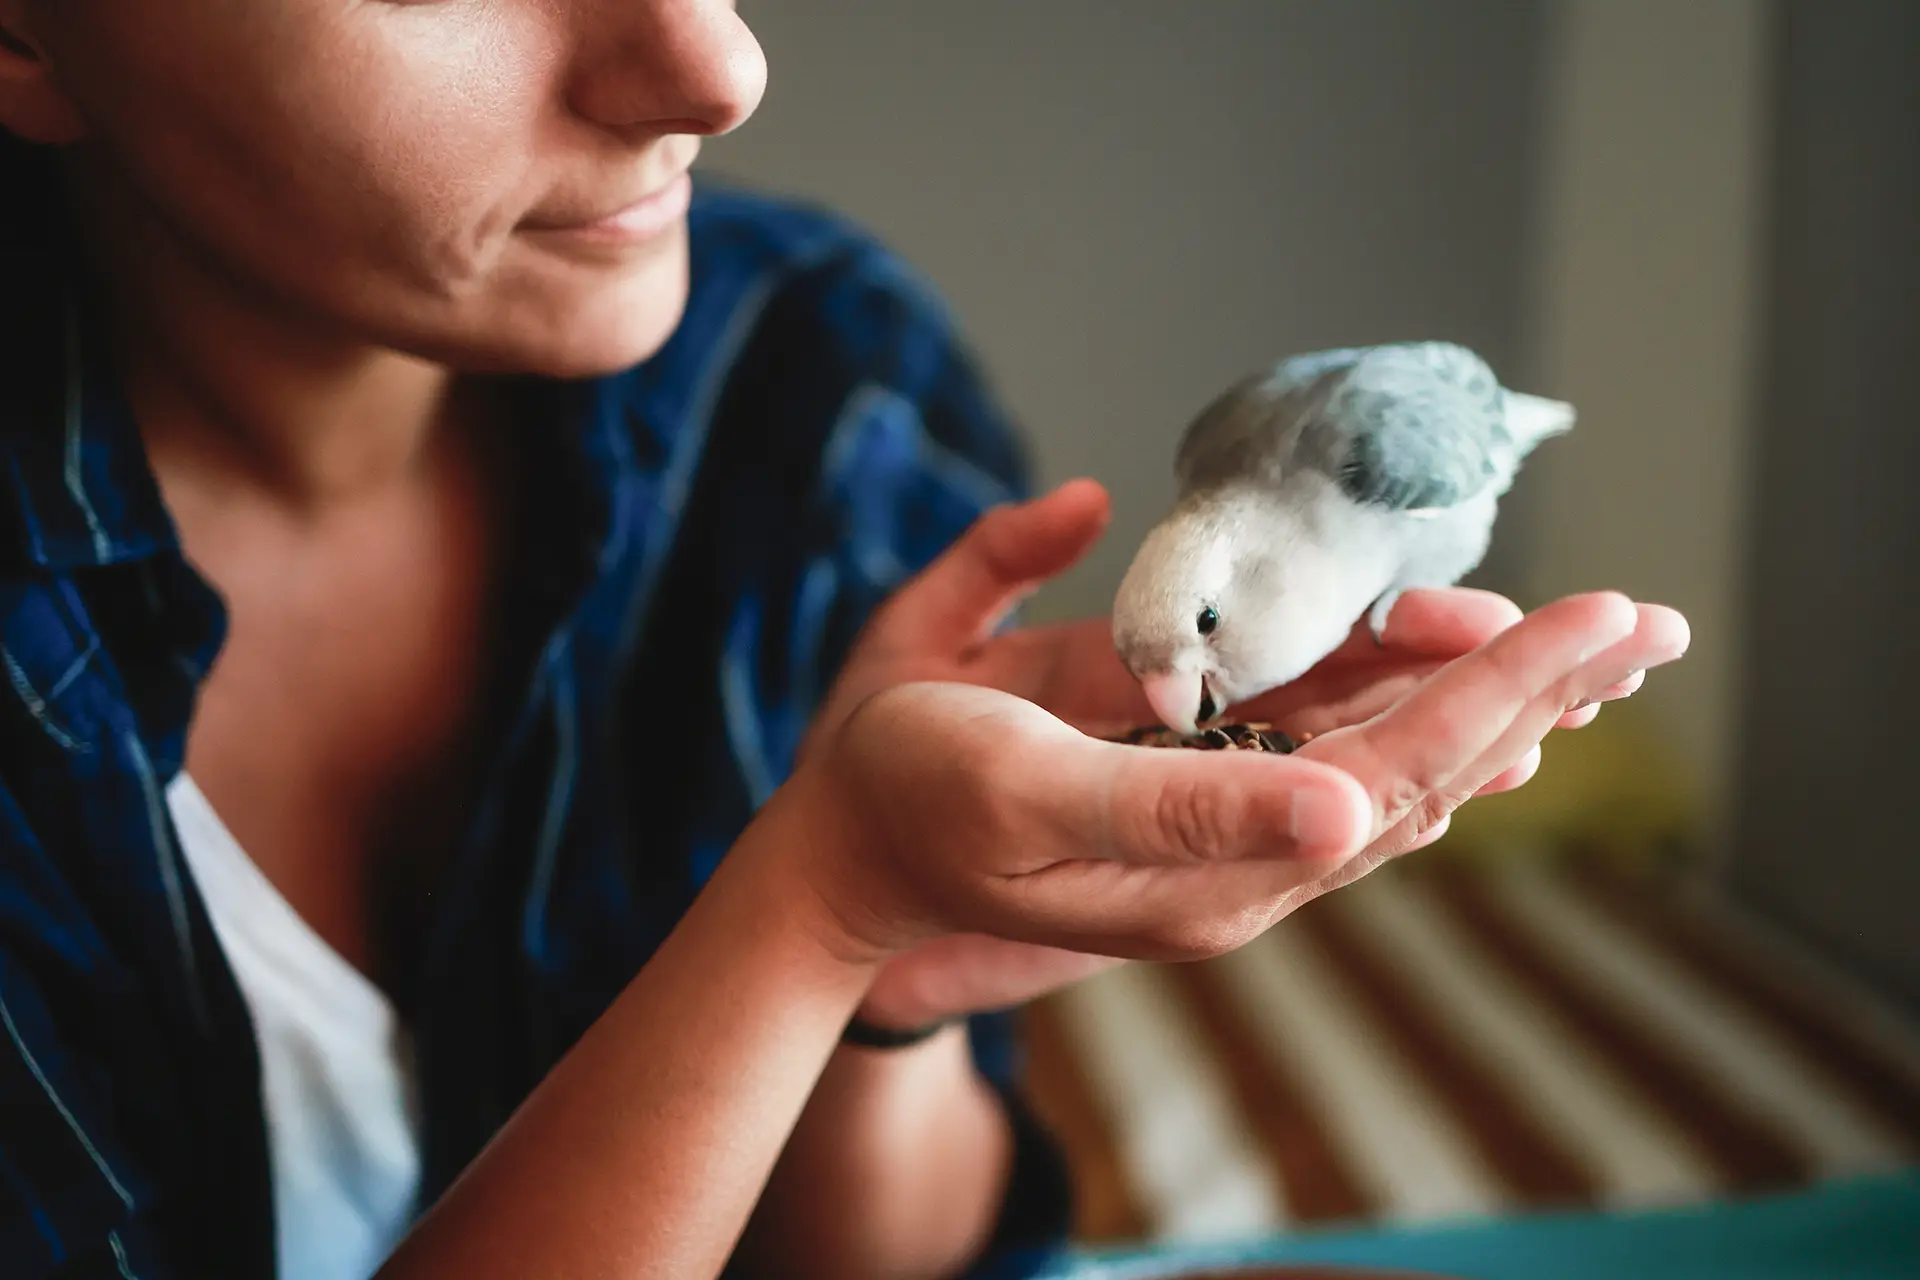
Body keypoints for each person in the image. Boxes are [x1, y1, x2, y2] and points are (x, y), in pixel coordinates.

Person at [0, 3, 1688, 1278]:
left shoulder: (815, 386)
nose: (717, 64)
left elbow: (889, 1260)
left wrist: (893, 991)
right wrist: (807, 910)